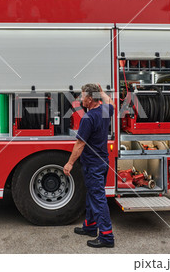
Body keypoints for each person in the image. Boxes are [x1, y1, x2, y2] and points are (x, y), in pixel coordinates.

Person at [63, 83, 115, 248]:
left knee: (98, 198)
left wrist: (69, 163)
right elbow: (111, 103)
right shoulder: (105, 111)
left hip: (93, 164)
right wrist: (102, 92)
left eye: (83, 96)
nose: (80, 98)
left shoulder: (88, 118)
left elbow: (79, 144)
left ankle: (107, 237)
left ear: (90, 99)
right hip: (102, 162)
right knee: (92, 195)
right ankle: (90, 227)